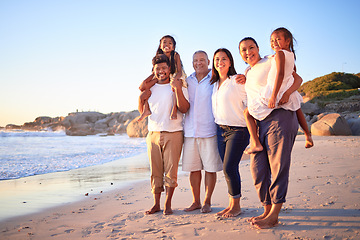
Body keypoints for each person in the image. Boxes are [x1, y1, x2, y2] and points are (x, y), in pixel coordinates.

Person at [239, 36, 303, 229]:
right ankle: (267, 209)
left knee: (278, 166)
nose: (248, 51)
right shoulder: (248, 71)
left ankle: (274, 214)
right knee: (258, 168)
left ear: (258, 48)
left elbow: (297, 78)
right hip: (260, 123)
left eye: (251, 47)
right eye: (243, 49)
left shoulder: (271, 58)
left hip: (279, 116)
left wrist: (283, 94)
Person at [243, 28, 313, 155]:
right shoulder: (248, 71)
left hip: (275, 97)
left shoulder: (274, 57)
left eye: (277, 39)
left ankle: (255, 142)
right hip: (280, 95)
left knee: (247, 112)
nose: (274, 42)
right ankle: (308, 135)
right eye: (272, 40)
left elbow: (288, 76)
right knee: (297, 108)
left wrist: (279, 94)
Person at [138, 54, 189, 215]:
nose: (161, 71)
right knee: (155, 170)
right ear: (153, 70)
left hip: (173, 133)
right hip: (153, 133)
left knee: (171, 171)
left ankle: (168, 204)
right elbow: (143, 112)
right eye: (158, 68)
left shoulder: (177, 85)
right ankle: (156, 204)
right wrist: (140, 100)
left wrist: (179, 89)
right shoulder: (150, 88)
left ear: (169, 69)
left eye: (164, 68)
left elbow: (184, 108)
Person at [182, 51, 223, 214]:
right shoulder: (188, 80)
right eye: (195, 60)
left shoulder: (215, 77)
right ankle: (196, 201)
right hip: (190, 131)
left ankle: (207, 201)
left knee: (210, 168)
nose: (198, 63)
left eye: (201, 60)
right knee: (194, 168)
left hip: (210, 129)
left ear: (208, 61)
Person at [210, 48, 249, 218]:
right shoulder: (214, 85)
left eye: (224, 58)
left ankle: (237, 206)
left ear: (230, 62)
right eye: (217, 59)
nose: (220, 62)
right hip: (220, 131)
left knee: (229, 167)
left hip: (238, 130)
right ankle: (231, 204)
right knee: (228, 170)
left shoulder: (237, 81)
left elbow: (250, 102)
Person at [138, 35, 187, 121]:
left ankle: (174, 109)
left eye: (170, 43)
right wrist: (151, 78)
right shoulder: (159, 57)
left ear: (174, 47)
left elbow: (179, 71)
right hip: (161, 76)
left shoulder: (175, 55)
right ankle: (145, 109)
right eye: (164, 42)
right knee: (143, 88)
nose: (167, 44)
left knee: (174, 87)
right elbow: (154, 73)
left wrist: (176, 79)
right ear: (160, 45)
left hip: (174, 75)